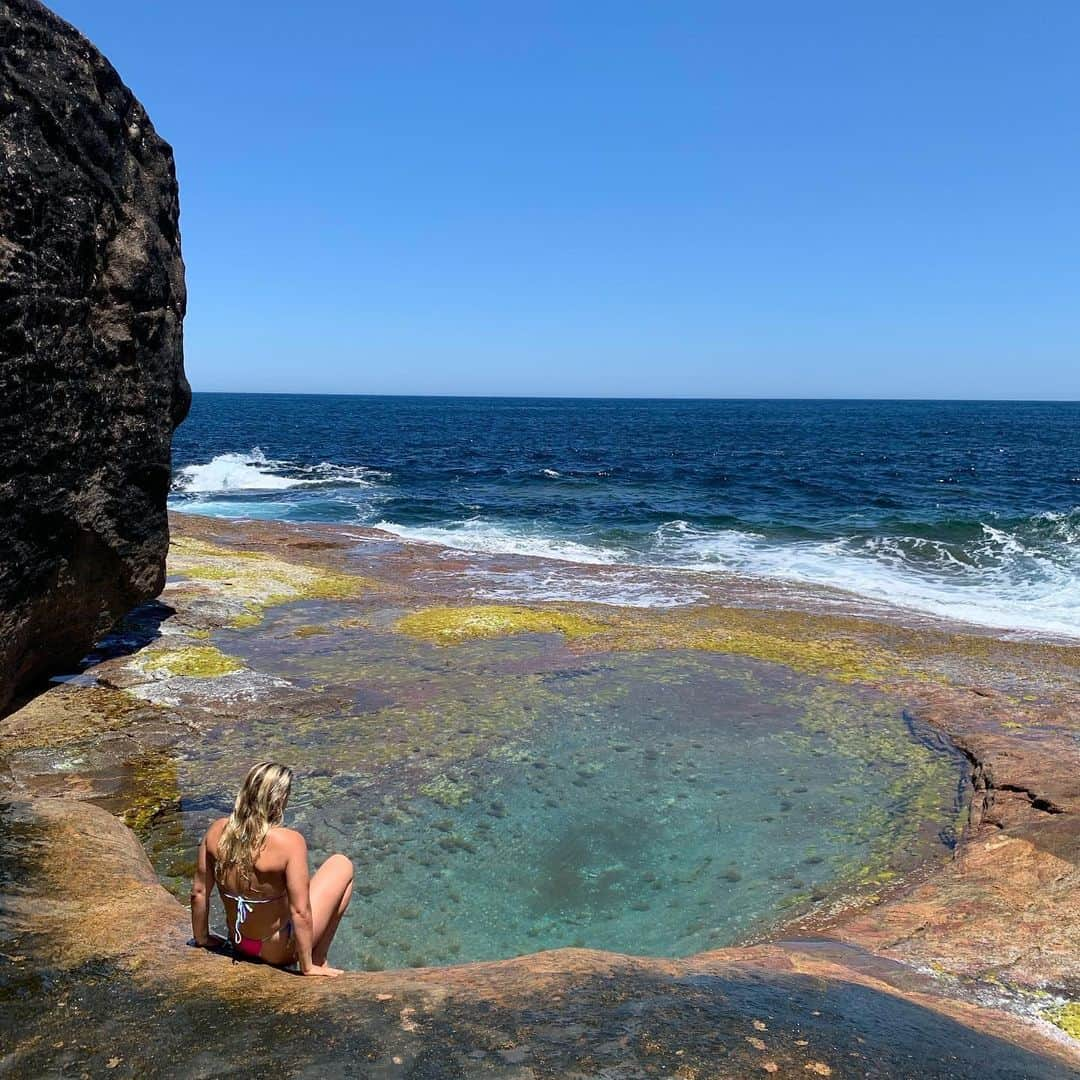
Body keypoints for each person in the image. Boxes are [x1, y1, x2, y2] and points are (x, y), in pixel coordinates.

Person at [190, 761, 353, 976]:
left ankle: (311, 958)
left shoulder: (217, 831)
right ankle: (317, 959)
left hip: (239, 942)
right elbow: (300, 911)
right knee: (342, 864)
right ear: (278, 799)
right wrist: (306, 968)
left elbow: (199, 893)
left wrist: (202, 938)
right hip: (277, 950)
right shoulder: (289, 842)